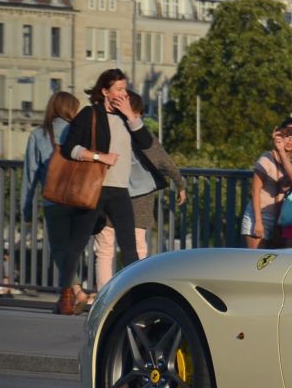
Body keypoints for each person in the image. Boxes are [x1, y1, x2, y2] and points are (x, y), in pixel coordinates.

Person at [55, 68, 151, 315]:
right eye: (118, 89)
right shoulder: (90, 114)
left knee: (129, 246)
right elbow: (69, 148)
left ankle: (133, 299)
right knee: (77, 244)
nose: (123, 94)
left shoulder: (127, 118)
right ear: (105, 91)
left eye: (125, 89)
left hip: (119, 190)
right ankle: (66, 294)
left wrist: (130, 114)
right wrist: (99, 156)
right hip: (94, 189)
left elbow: (147, 144)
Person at [93, 92, 187, 289]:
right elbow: (163, 161)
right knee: (137, 248)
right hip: (139, 199)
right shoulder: (140, 132)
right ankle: (134, 293)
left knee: (104, 249)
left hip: (107, 192)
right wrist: (179, 184)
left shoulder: (106, 131)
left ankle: (102, 298)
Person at [23, 90, 90, 307]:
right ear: (71, 109)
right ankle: (74, 291)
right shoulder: (79, 132)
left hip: (53, 200)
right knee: (74, 247)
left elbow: (30, 174)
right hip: (80, 197)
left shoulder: (39, 135)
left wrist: (26, 206)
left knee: (60, 248)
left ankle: (74, 291)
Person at [241, 120, 292, 248]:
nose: (291, 140)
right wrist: (258, 221)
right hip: (260, 215)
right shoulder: (267, 158)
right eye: (288, 135)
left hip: (281, 220)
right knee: (256, 262)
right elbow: (255, 191)